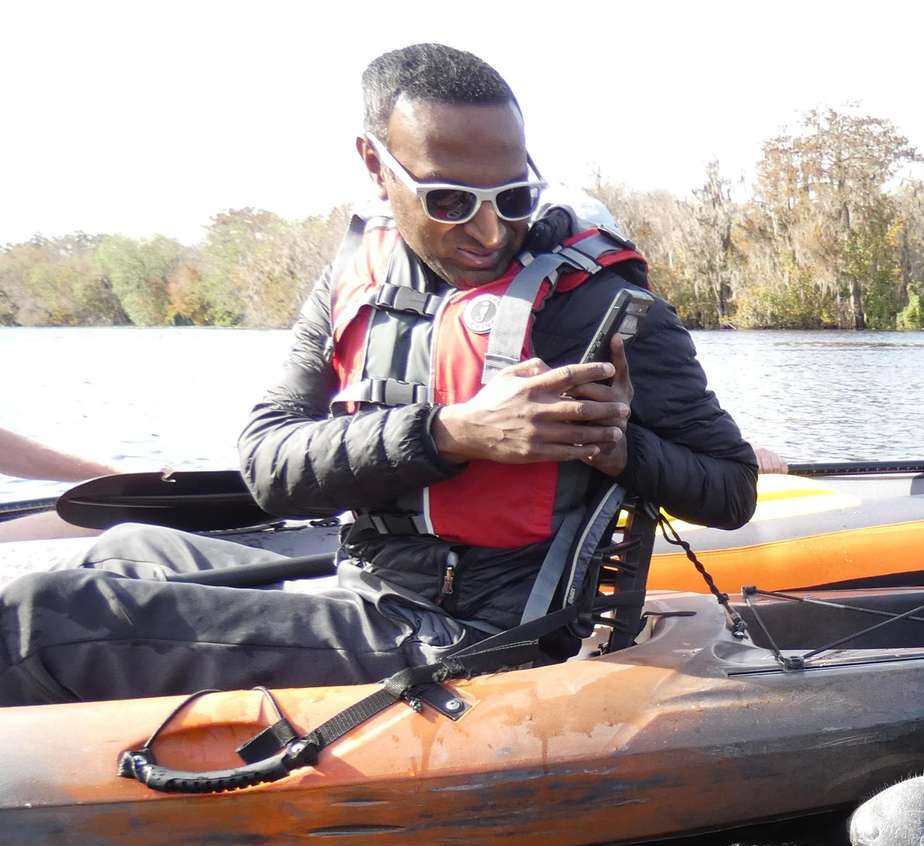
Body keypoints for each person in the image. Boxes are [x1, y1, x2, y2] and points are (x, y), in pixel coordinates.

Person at [0, 44, 758, 707]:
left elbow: (730, 488)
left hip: (484, 636)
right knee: (123, 550)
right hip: (367, 586)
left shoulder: (599, 305)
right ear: (375, 165)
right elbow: (269, 466)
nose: (489, 230)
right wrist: (453, 432)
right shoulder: (353, 279)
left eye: (513, 197)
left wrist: (613, 447)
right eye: (451, 200)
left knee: (39, 620)